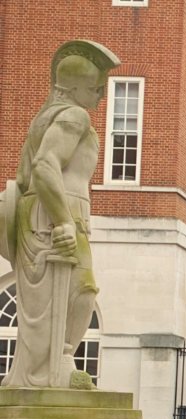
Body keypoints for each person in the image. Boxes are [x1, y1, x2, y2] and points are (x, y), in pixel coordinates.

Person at [1, 40, 119, 389]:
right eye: (96, 88)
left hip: (44, 214)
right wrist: (64, 221)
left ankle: (49, 370)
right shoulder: (74, 116)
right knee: (82, 292)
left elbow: (24, 177)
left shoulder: (43, 120)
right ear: (76, 88)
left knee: (66, 295)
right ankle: (58, 366)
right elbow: (44, 164)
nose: (101, 96)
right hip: (57, 215)